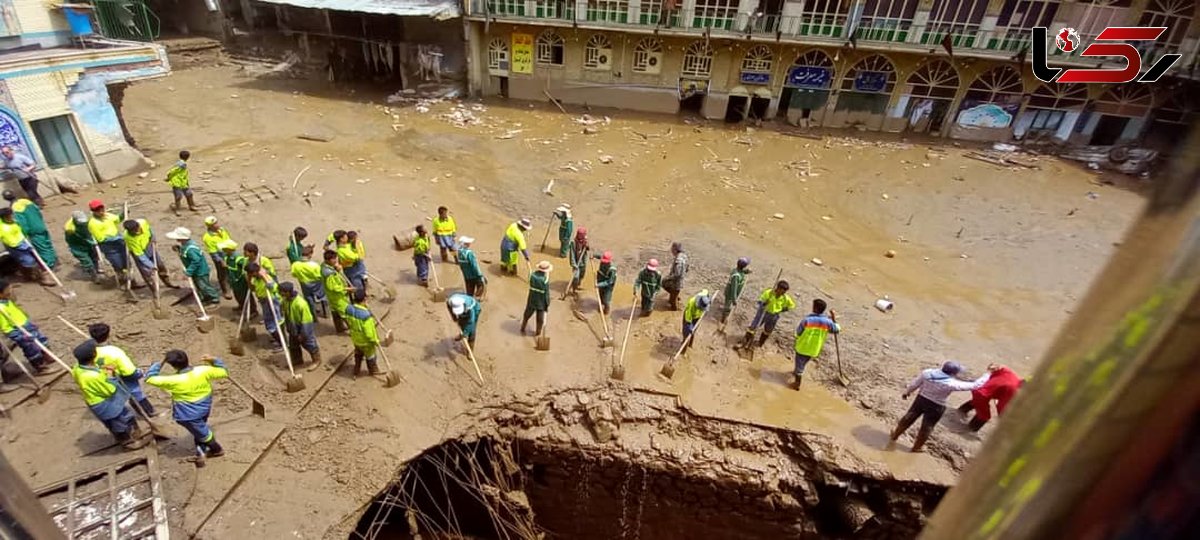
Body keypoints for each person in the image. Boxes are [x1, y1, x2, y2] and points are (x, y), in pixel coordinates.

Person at [892, 362, 993, 452]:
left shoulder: (927, 373)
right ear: (953, 373)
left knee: (909, 417)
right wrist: (988, 373)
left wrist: (907, 392)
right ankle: (917, 447)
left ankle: (895, 435)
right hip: (936, 406)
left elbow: (915, 384)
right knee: (927, 426)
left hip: (921, 399)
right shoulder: (951, 383)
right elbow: (975, 385)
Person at [145, 349, 228, 458]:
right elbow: (223, 371)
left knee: (204, 433)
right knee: (200, 426)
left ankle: (216, 449)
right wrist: (213, 360)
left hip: (188, 414)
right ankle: (200, 444)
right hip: (204, 406)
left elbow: (149, 378)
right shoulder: (203, 371)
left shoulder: (173, 380)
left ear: (173, 366)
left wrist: (160, 363)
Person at [71, 341, 147, 450]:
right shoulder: (91, 376)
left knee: (124, 415)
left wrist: (104, 370)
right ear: (94, 356)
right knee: (117, 423)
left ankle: (134, 430)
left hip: (97, 400)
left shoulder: (77, 368)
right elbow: (109, 390)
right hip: (104, 403)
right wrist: (110, 375)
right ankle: (127, 442)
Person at [88, 323, 158, 417]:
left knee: (115, 396)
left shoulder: (89, 352)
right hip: (122, 376)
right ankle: (148, 411)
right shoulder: (114, 351)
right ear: (108, 335)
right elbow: (129, 371)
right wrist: (138, 373)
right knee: (135, 392)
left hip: (105, 377)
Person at [0, 279, 57, 374]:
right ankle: (41, 367)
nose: (11, 290)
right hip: (19, 331)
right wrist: (19, 336)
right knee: (32, 349)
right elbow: (6, 327)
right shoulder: (1, 309)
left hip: (27, 325)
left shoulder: (7, 301)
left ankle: (48, 356)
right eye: (8, 289)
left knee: (42, 340)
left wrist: (29, 322)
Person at [957, 365, 1024, 432]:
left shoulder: (1010, 374)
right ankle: (971, 428)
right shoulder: (1012, 390)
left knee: (978, 402)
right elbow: (1001, 406)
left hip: (980, 387)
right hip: (982, 395)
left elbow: (998, 367)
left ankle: (961, 410)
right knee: (984, 416)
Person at [791, 299, 839, 389]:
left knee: (799, 366)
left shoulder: (807, 320)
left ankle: (797, 384)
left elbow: (798, 332)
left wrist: (797, 337)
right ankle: (797, 371)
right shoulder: (827, 322)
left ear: (815, 308)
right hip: (814, 349)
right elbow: (837, 329)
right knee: (803, 362)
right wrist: (833, 318)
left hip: (803, 346)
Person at [166, 227, 220, 304]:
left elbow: (196, 261)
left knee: (204, 286)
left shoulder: (191, 249)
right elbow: (185, 254)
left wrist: (189, 271)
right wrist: (179, 249)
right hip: (195, 272)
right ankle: (204, 297)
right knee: (198, 285)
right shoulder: (186, 245)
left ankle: (214, 298)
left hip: (200, 272)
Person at [4, 190, 56, 268]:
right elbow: (38, 211)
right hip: (40, 224)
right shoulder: (25, 201)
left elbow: (23, 223)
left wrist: (23, 234)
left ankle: (49, 264)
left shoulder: (15, 208)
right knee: (47, 243)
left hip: (33, 230)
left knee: (42, 248)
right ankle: (54, 259)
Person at [0, 208, 53, 285]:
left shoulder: (13, 222)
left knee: (28, 260)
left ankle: (27, 276)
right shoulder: (3, 228)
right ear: (5, 217)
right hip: (16, 246)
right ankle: (42, 278)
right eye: (10, 216)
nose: (12, 217)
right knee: (30, 261)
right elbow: (9, 240)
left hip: (23, 242)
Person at [740, 280, 796, 350]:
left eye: (784, 292)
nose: (783, 293)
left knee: (768, 330)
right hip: (764, 312)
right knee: (753, 327)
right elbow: (760, 301)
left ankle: (760, 343)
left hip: (774, 315)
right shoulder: (769, 293)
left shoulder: (785, 297)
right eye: (782, 291)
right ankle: (745, 341)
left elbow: (792, 305)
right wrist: (765, 302)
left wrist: (782, 309)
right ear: (778, 288)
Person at [88, 200, 132, 288]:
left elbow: (118, 219)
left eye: (102, 209)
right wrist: (117, 238)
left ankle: (131, 281)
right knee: (118, 264)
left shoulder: (108, 216)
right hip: (109, 247)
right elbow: (101, 239)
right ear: (93, 211)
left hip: (120, 243)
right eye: (98, 210)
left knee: (127, 262)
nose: (101, 212)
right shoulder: (93, 223)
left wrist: (123, 214)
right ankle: (122, 281)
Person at [123, 218, 174, 291]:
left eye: (137, 229)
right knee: (147, 272)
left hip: (149, 245)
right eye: (134, 231)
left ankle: (167, 282)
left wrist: (153, 238)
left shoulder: (143, 222)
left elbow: (150, 230)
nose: (136, 232)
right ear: (129, 231)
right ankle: (154, 290)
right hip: (140, 252)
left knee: (160, 265)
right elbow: (140, 255)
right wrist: (151, 266)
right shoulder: (128, 238)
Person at [280, 282, 321, 370]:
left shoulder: (301, 303)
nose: (281, 294)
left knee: (309, 344)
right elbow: (286, 314)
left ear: (287, 292)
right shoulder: (285, 301)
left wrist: (303, 334)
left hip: (302, 327)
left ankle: (316, 360)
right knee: (293, 345)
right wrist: (288, 327)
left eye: (282, 292)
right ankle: (297, 360)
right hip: (292, 326)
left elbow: (307, 320)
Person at [247, 261, 282, 350]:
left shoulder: (267, 277)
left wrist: (264, 277)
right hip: (263, 301)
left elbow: (272, 287)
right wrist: (249, 279)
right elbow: (252, 289)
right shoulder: (255, 279)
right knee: (269, 322)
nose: (250, 275)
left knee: (273, 323)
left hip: (272, 301)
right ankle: (278, 339)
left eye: (251, 273)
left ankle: (282, 343)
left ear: (255, 272)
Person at [345, 289, 380, 376]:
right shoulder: (366, 316)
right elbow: (369, 333)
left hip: (356, 339)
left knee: (358, 353)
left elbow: (348, 322)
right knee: (371, 356)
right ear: (364, 299)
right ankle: (373, 370)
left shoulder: (348, 309)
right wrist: (375, 340)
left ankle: (356, 369)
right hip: (366, 342)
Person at [202, 217, 235, 299]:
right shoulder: (207, 237)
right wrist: (221, 261)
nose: (217, 225)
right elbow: (213, 252)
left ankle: (232, 284)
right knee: (222, 274)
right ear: (210, 226)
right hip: (220, 256)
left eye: (217, 223)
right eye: (214, 224)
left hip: (228, 252)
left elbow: (228, 240)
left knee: (231, 270)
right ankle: (226, 290)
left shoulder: (222, 230)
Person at [289, 244, 326, 319]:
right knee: (322, 297)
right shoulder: (314, 265)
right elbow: (320, 275)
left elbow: (294, 274)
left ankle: (314, 316)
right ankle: (326, 313)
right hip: (316, 283)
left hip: (304, 283)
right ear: (310, 255)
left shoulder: (295, 265)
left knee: (309, 299)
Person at [64, 211, 101, 282]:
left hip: (88, 243)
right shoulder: (70, 229)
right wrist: (91, 241)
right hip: (77, 246)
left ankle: (96, 269)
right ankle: (94, 275)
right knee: (87, 261)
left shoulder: (87, 221)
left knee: (94, 256)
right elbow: (71, 240)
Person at [222, 240, 254, 316]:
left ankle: (253, 310)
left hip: (241, 281)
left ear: (229, 249)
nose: (223, 249)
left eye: (224, 248)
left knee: (245, 295)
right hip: (233, 281)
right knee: (237, 295)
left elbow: (248, 268)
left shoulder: (238, 258)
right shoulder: (227, 257)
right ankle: (241, 306)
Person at [321, 249, 350, 334]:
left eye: (335, 258)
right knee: (345, 313)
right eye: (333, 259)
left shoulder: (324, 266)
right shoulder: (329, 273)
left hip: (331, 296)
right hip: (336, 296)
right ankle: (353, 329)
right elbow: (333, 287)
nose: (335, 261)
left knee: (335, 312)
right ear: (327, 260)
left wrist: (336, 269)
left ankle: (339, 328)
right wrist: (347, 289)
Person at [521, 261, 552, 335]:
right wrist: (547, 303)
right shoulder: (545, 280)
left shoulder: (532, 276)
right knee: (540, 320)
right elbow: (546, 294)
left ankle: (523, 327)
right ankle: (538, 333)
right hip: (541, 302)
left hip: (531, 299)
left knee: (527, 315)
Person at [719, 258, 751, 325]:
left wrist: (747, 271)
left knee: (728, 306)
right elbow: (734, 288)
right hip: (730, 294)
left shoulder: (738, 270)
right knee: (727, 307)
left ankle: (725, 316)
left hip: (734, 293)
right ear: (744, 266)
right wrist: (734, 299)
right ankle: (722, 320)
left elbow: (742, 271)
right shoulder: (736, 276)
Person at [681, 290, 711, 354]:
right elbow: (688, 318)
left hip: (697, 317)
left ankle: (689, 345)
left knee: (693, 332)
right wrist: (689, 327)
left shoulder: (704, 295)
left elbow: (706, 290)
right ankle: (684, 350)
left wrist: (709, 300)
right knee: (687, 333)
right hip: (689, 317)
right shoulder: (691, 302)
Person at [662, 242, 688, 311]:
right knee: (665, 285)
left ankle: (674, 310)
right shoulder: (684, 256)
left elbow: (677, 274)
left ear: (675, 250)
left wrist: (667, 278)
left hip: (676, 283)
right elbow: (687, 268)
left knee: (672, 301)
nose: (671, 250)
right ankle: (675, 296)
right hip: (680, 280)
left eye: (672, 249)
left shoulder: (678, 260)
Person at [567, 228, 590, 296]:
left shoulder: (585, 241)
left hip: (583, 262)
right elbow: (572, 254)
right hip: (576, 263)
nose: (580, 237)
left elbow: (588, 249)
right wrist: (574, 265)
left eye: (582, 235)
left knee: (582, 275)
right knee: (576, 276)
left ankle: (577, 285)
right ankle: (574, 289)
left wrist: (587, 246)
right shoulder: (573, 243)